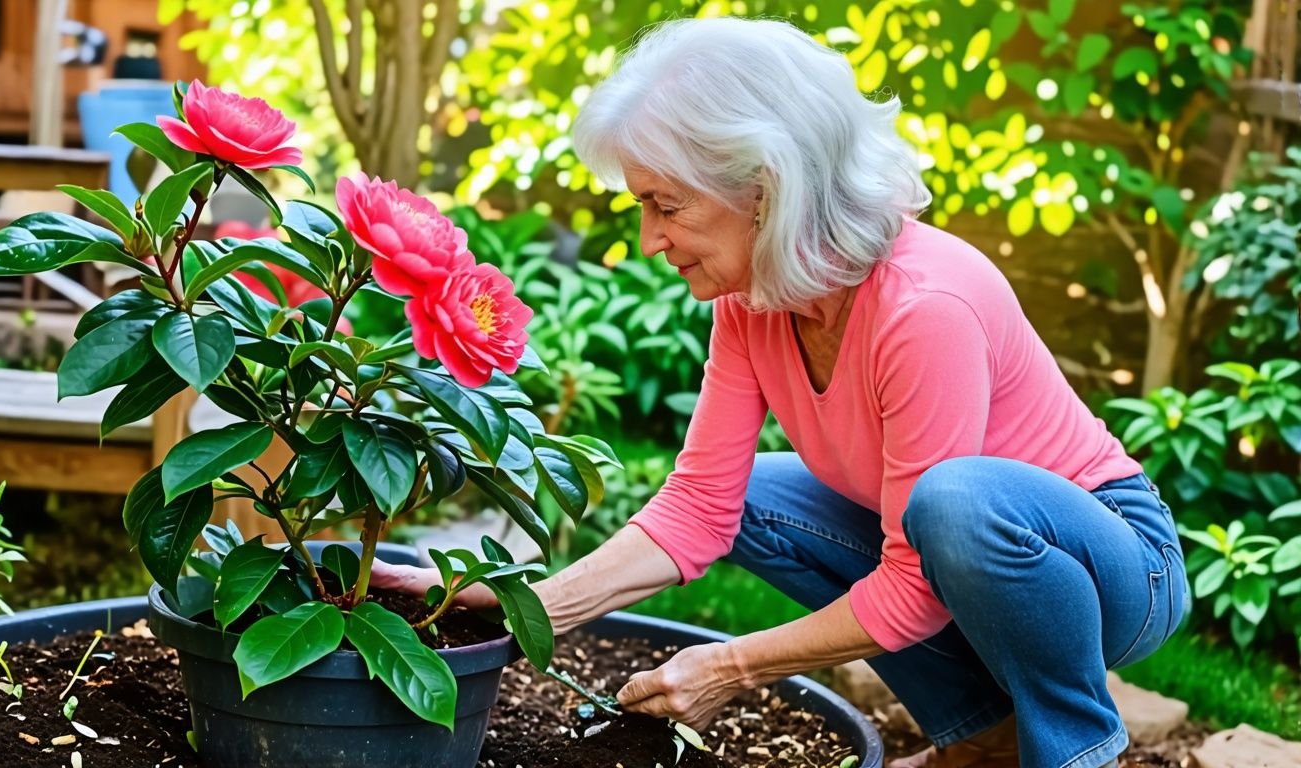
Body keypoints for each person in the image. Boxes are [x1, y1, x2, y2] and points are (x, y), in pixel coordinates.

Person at [371, 17, 1188, 768]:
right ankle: (984, 736)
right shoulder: (756, 299)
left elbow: (912, 579)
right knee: (758, 496)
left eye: (666, 206)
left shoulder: (926, 305)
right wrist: (523, 606)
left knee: (955, 502)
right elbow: (700, 508)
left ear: (765, 187)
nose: (651, 240)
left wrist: (730, 665)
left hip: (1114, 567)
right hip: (958, 542)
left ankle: (1075, 747)